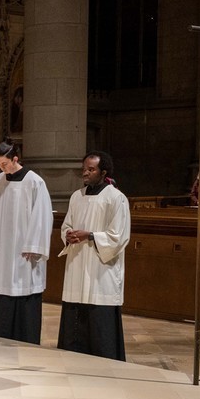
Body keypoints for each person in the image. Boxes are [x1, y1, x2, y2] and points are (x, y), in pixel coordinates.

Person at [57, 151, 131, 361]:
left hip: (101, 270)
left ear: (103, 172)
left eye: (91, 169)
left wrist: (89, 235)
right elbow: (67, 225)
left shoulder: (116, 198)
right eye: (84, 169)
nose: (86, 173)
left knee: (100, 322)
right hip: (78, 265)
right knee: (75, 314)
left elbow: (119, 236)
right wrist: (68, 235)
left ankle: (105, 361)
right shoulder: (76, 196)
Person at [0, 140, 53, 344]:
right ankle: (4, 336)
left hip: (25, 249)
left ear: (15, 159)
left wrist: (34, 245)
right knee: (4, 290)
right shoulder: (0, 180)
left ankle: (26, 338)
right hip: (4, 248)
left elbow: (42, 215)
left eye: (4, 164)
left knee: (25, 288)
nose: (2, 168)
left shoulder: (34, 182)